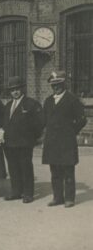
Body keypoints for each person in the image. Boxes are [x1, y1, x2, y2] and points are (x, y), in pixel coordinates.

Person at [42, 71, 87, 208]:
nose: (56, 87)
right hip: (52, 141)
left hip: (66, 141)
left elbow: (82, 119)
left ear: (64, 84)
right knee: (54, 170)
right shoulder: (48, 101)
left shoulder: (72, 99)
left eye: (59, 84)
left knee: (68, 170)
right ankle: (57, 197)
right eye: (54, 85)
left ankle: (69, 198)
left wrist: (71, 131)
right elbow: (45, 119)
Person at [3, 76, 44, 204]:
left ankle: (28, 193)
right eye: (12, 90)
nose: (15, 92)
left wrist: (33, 138)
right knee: (13, 168)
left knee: (25, 167)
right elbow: (5, 123)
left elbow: (40, 123)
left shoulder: (31, 104)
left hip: (24, 143)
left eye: (17, 89)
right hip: (9, 143)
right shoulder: (8, 105)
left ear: (22, 89)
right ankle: (16, 191)